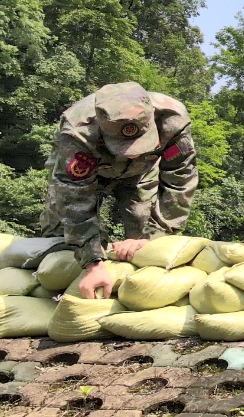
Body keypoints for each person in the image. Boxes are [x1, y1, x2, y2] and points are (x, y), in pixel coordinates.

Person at [40, 82, 198, 298]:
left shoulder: (172, 120)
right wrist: (93, 263)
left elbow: (180, 181)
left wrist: (156, 234)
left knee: (147, 244)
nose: (131, 154)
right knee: (60, 236)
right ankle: (66, 294)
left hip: (140, 174)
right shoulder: (78, 131)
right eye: (124, 147)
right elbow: (72, 198)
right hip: (87, 174)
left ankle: (138, 295)